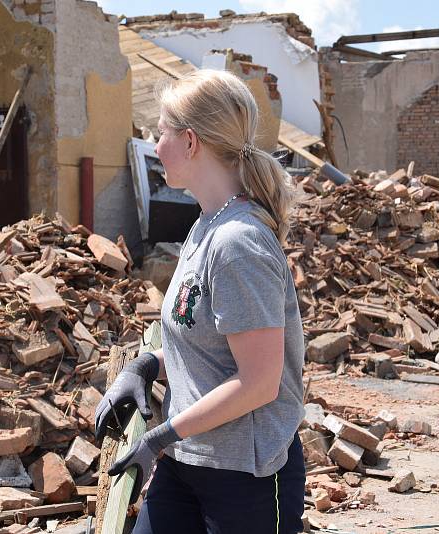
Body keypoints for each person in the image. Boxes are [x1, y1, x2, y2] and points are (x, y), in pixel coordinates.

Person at [95, 69, 306, 533]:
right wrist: (145, 367)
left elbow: (258, 383)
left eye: (161, 132)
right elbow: (207, 348)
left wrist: (162, 436)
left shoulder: (238, 242)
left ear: (190, 142)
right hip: (187, 461)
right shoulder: (205, 227)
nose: (154, 146)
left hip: (244, 478)